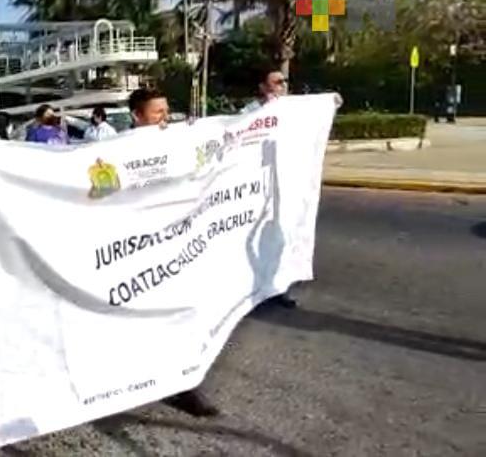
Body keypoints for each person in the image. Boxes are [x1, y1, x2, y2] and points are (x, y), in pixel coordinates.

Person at [124, 87, 219, 418]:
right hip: (137, 254)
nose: (166, 118)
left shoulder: (176, 141)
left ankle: (184, 385)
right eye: (158, 113)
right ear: (137, 116)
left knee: (181, 315)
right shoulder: (118, 150)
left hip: (176, 248)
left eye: (167, 111)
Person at [240, 70, 342, 310]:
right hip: (258, 187)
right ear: (263, 87)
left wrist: (331, 103)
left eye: (284, 81)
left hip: (285, 185)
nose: (282, 86)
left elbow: (316, 116)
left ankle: (279, 286)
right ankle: (252, 287)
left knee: (283, 234)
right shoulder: (250, 112)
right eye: (277, 82)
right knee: (256, 238)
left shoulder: (295, 108)